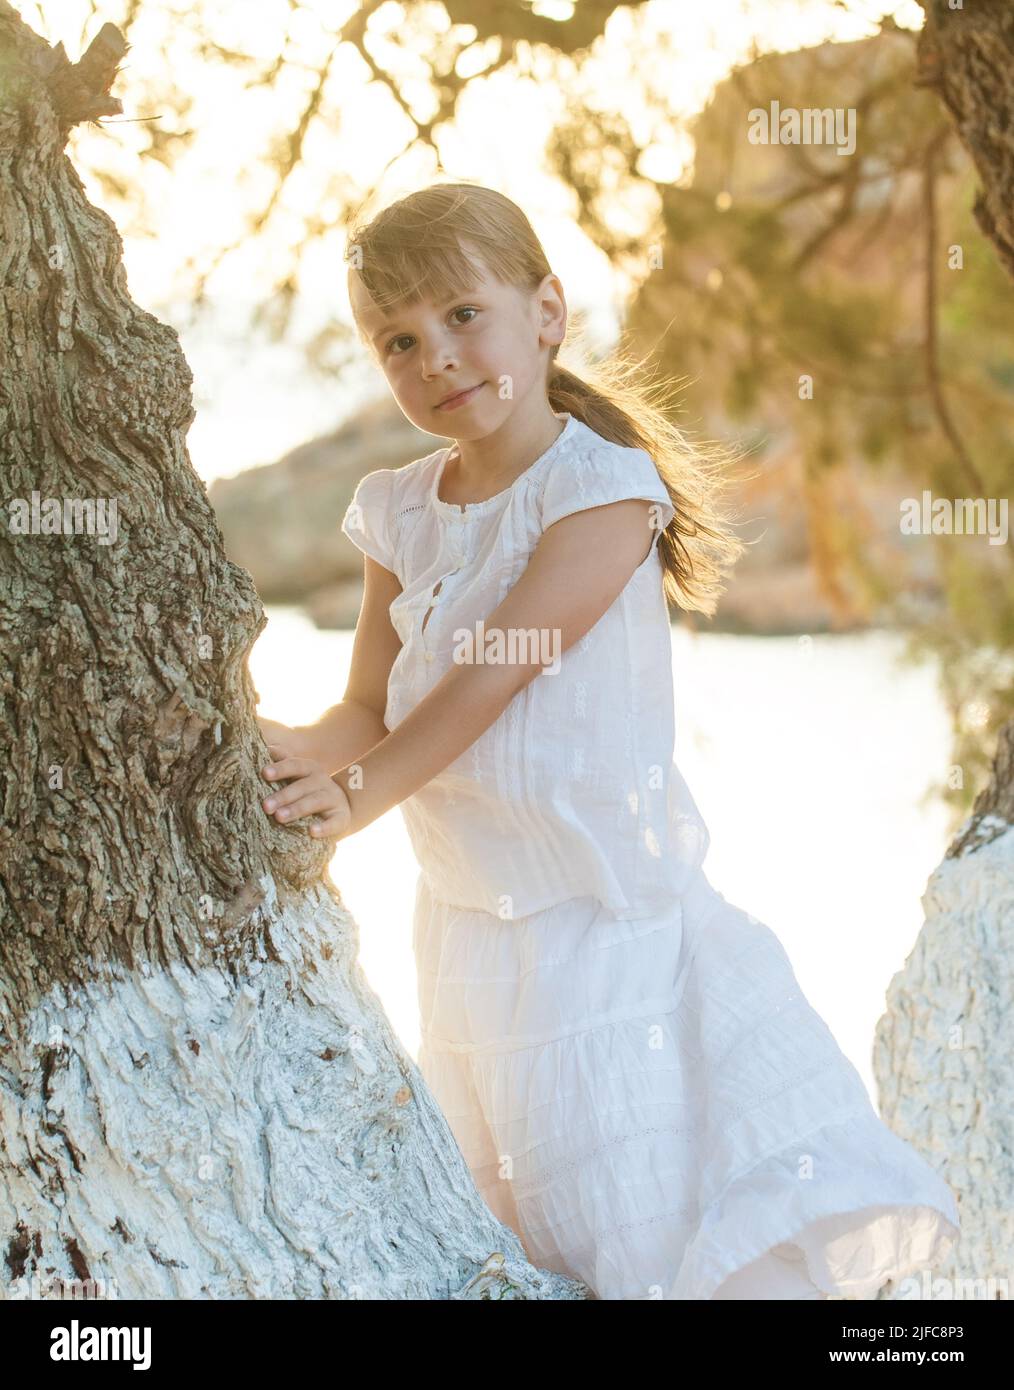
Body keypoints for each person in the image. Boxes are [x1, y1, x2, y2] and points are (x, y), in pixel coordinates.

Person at [256, 181, 960, 1300]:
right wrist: (299, 754)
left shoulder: (600, 491)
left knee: (637, 1238)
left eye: (460, 315)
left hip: (604, 938)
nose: (434, 355)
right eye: (398, 338)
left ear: (546, 313)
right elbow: (370, 704)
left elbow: (501, 662)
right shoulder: (397, 507)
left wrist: (365, 792)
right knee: (519, 1246)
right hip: (466, 942)